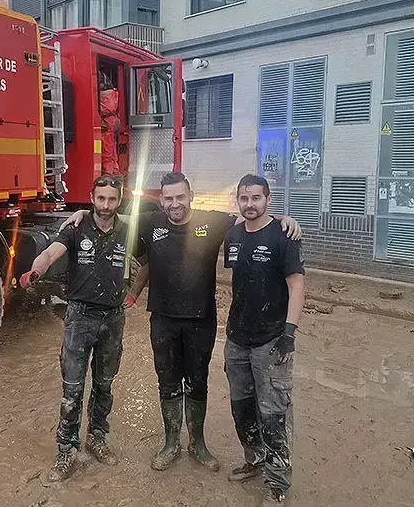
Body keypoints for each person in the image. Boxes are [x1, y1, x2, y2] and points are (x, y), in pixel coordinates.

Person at [61, 172, 302, 473]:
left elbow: (251, 218)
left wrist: (283, 220)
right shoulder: (150, 222)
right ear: (161, 199)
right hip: (163, 320)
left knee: (198, 383)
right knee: (168, 383)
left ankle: (197, 443)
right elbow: (109, 216)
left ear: (191, 196)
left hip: (201, 321)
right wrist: (83, 212)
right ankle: (171, 442)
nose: (175, 203)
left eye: (180, 197)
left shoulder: (212, 222)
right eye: (169, 198)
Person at [20, 174, 129, 482]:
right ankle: (66, 451)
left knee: (104, 384)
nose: (105, 205)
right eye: (100, 199)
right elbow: (51, 252)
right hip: (80, 317)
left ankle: (97, 438)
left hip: (113, 317)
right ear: (91, 198)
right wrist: (36, 270)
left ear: (119, 200)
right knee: (72, 390)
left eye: (111, 199)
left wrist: (134, 290)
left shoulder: (129, 227)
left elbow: (150, 252)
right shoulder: (75, 226)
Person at [222, 174, 305, 503]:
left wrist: (289, 333)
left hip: (271, 340)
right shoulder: (232, 235)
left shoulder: (284, 235)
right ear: (238, 200)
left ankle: (278, 481)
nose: (250, 204)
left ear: (267, 199)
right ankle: (253, 459)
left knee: (273, 413)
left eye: (256, 198)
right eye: (244, 198)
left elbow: (297, 286)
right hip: (237, 338)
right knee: (241, 407)